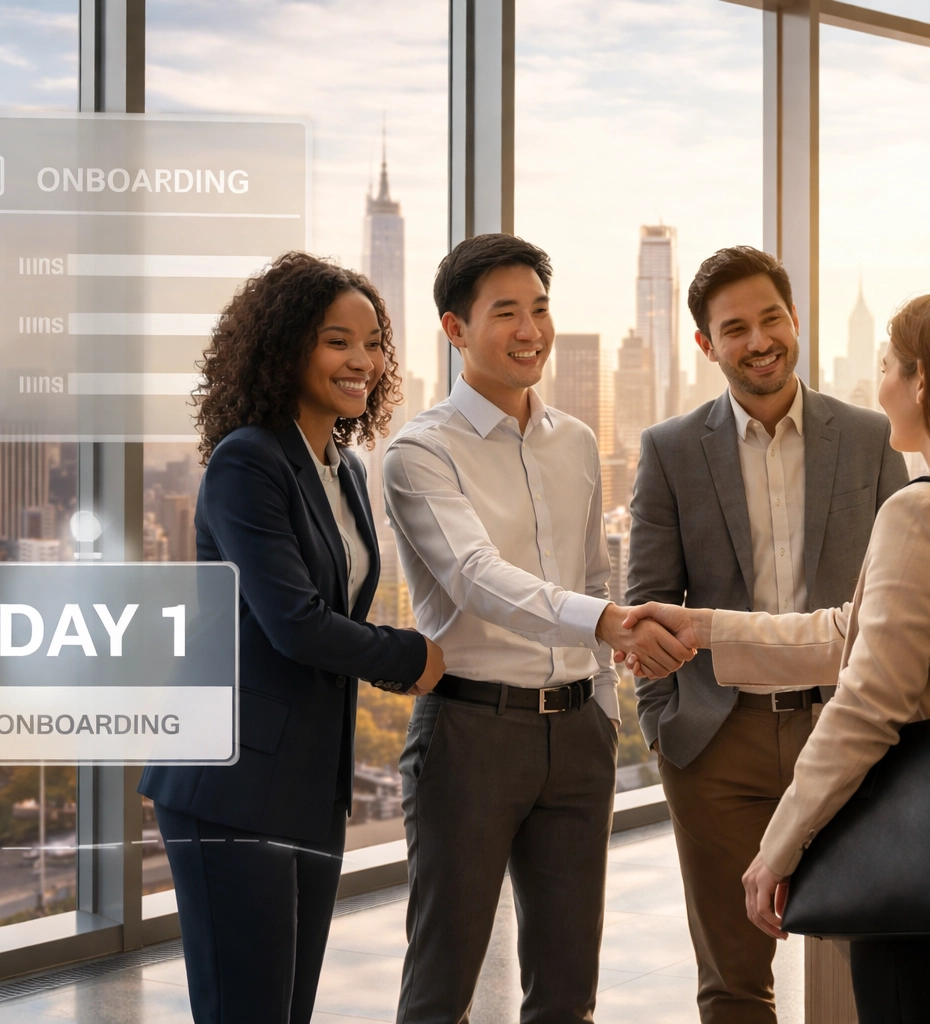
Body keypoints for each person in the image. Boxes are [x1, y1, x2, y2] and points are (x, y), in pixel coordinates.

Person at [622, 286, 930, 1024]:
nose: (880, 381)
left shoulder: (925, 509)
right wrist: (704, 627)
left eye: (888, 364)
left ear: (924, 382)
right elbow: (852, 634)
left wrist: (779, 846)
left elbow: (871, 701)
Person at [382, 233, 695, 1024]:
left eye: (541, 308)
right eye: (506, 313)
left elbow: (590, 577)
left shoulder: (577, 442)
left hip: (578, 735)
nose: (531, 331)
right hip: (471, 734)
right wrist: (610, 624)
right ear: (455, 329)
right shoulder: (420, 452)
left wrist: (603, 704)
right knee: (441, 985)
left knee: (567, 989)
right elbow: (475, 576)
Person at [138, 252, 446, 1024]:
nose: (362, 360)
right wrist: (411, 656)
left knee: (287, 1008)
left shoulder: (343, 470)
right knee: (246, 1009)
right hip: (231, 783)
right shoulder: (247, 460)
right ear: (286, 349)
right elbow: (295, 622)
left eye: (373, 343)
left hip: (308, 779)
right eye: (337, 341)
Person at [623, 245, 907, 1024]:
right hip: (718, 743)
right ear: (706, 344)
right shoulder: (670, 450)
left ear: (796, 320)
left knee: (876, 961)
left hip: (848, 732)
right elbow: (648, 604)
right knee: (734, 981)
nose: (759, 341)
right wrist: (665, 725)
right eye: (735, 329)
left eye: (771, 319)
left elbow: (900, 594)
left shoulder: (871, 437)